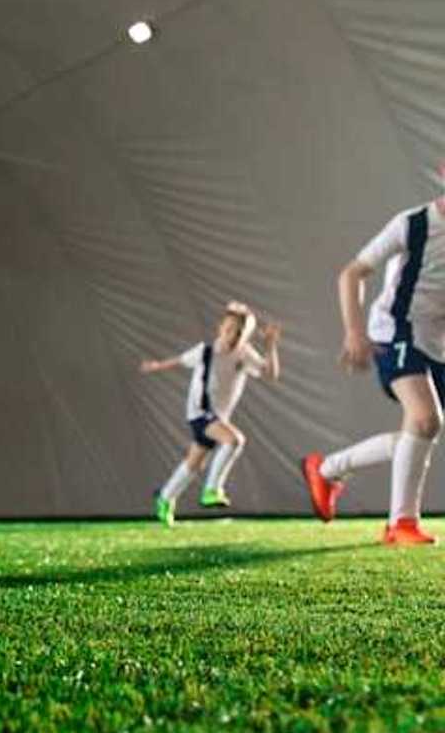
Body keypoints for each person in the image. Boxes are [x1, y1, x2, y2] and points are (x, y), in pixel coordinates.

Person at [303, 200, 445, 545]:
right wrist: (354, 332)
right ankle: (401, 523)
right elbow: (352, 273)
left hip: (436, 342)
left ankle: (326, 469)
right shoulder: (413, 224)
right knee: (426, 420)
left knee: (416, 437)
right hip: (395, 330)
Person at [140, 302, 281, 526]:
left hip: (219, 418)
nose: (232, 336)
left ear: (245, 336)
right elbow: (179, 360)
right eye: (228, 330)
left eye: (239, 333)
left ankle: (165, 498)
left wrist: (271, 346)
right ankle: (212, 489)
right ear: (220, 328)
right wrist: (157, 366)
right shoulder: (205, 351)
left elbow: (271, 375)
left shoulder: (244, 355)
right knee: (234, 440)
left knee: (194, 463)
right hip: (200, 413)